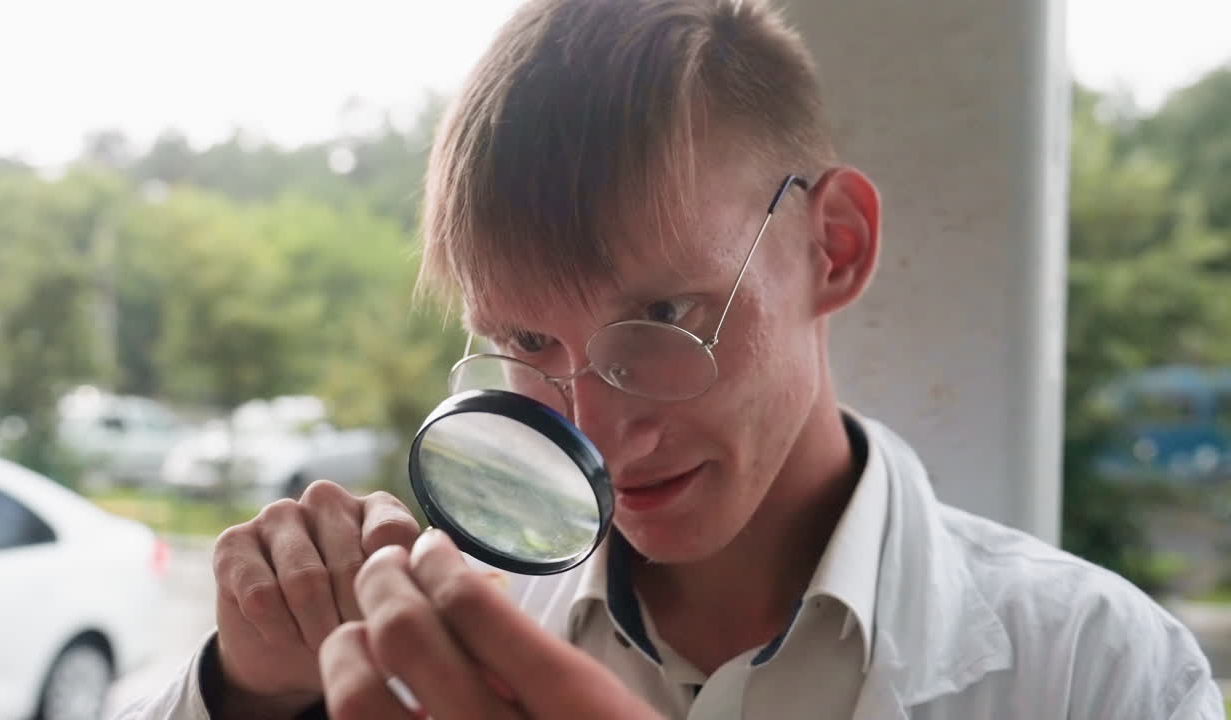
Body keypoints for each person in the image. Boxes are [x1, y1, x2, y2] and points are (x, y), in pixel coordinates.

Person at [120, 0, 1225, 718]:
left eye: (663, 315)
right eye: (526, 343)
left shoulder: (1099, 672)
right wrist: (250, 690)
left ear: (830, 249)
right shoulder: (421, 639)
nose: (595, 436)